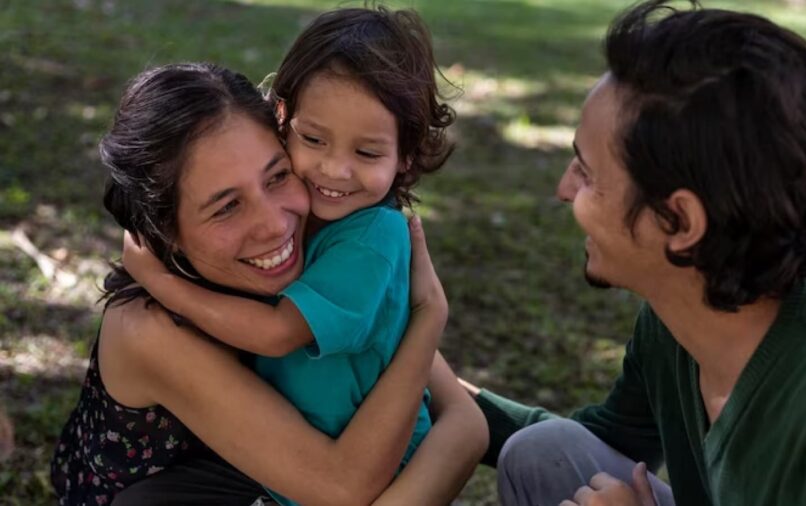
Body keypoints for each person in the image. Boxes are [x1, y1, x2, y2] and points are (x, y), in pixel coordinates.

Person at [460, 1, 806, 505]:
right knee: (547, 452)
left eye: (587, 173)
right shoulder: (678, 324)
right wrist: (419, 374)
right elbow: (609, 438)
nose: (564, 190)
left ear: (681, 222)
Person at [51, 61, 487, 506]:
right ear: (165, 232)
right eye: (226, 207)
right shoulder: (150, 326)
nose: (274, 224)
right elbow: (344, 487)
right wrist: (427, 317)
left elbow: (464, 422)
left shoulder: (317, 240)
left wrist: (427, 319)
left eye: (277, 176)